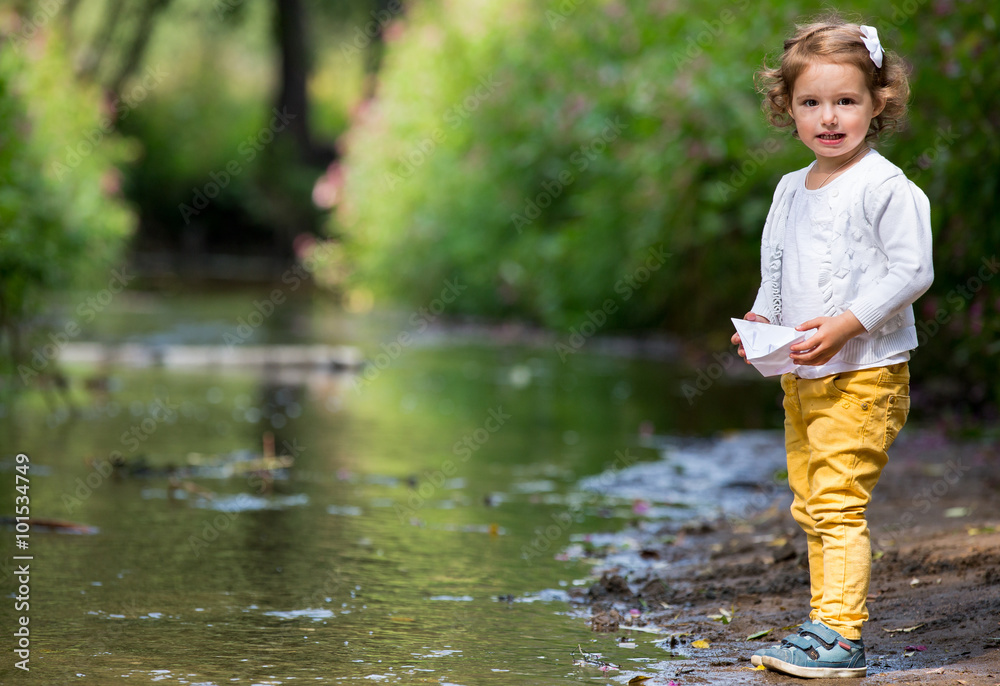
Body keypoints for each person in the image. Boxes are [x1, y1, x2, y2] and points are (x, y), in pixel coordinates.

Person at [730, 14, 934, 679]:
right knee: (811, 501)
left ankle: (841, 636)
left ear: (879, 102)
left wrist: (847, 324)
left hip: (866, 374)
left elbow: (911, 271)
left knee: (839, 502)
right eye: (811, 102)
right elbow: (778, 263)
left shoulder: (884, 187)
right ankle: (823, 624)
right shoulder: (791, 188)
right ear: (786, 107)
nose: (828, 117)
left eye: (845, 100)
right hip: (804, 372)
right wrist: (764, 316)